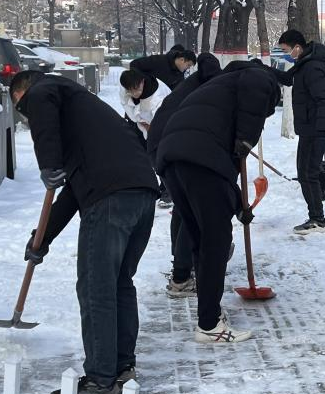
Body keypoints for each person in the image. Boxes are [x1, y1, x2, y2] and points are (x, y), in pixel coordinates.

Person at [11, 70, 159, 394]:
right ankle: (121, 367)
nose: (29, 116)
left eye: (23, 108)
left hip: (111, 199)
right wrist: (41, 240)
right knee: (119, 284)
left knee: (96, 288)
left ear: (24, 93)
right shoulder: (86, 125)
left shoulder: (47, 88)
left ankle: (100, 381)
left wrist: (48, 162)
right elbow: (72, 195)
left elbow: (40, 97)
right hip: (141, 194)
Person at [155, 61, 280, 343]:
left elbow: (221, 174)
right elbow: (216, 168)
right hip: (199, 160)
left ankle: (208, 315)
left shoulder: (218, 89)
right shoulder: (257, 76)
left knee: (201, 240)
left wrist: (238, 205)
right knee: (216, 243)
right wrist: (246, 139)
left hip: (173, 160)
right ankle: (209, 324)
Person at [146, 52, 223, 296]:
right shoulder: (209, 91)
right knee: (193, 212)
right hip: (176, 150)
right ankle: (181, 276)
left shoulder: (190, 85)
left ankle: (181, 268)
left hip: (160, 148)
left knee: (182, 208)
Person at [277, 29, 325, 234]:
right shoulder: (304, 64)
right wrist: (263, 69)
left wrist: (321, 131)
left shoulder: (312, 67)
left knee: (308, 173)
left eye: (286, 50)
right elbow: (287, 78)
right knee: (306, 172)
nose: (286, 54)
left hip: (316, 129)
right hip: (309, 129)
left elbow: (324, 101)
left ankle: (318, 219)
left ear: (297, 47)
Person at [118, 68, 169, 137]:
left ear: (142, 81)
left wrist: (151, 128)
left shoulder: (157, 98)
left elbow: (161, 123)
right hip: (139, 121)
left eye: (137, 89)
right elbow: (124, 102)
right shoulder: (125, 86)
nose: (134, 93)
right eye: (130, 90)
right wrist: (136, 120)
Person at [130, 44, 196, 93]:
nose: (188, 68)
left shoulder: (180, 75)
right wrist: (145, 83)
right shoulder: (158, 61)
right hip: (142, 100)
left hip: (159, 104)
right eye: (188, 65)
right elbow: (134, 64)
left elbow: (176, 92)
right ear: (182, 60)